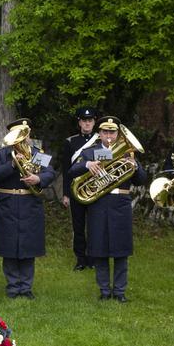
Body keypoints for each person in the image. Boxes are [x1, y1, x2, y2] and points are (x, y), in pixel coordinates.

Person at [67, 116, 147, 302]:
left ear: (118, 134)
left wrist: (135, 166)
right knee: (99, 249)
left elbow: (141, 180)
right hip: (98, 205)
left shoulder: (128, 154)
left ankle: (119, 292)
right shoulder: (89, 152)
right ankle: (104, 291)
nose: (109, 135)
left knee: (121, 250)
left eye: (112, 132)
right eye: (105, 132)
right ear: (99, 134)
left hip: (121, 205)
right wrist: (87, 165)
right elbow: (72, 171)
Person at [0, 118, 55, 299]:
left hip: (29, 204)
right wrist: (11, 164)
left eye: (26, 133)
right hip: (8, 203)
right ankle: (12, 287)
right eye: (19, 134)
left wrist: (38, 179)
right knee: (9, 246)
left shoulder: (37, 153)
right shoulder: (1, 154)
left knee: (28, 246)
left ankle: (26, 288)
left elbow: (50, 172)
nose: (23, 138)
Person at [61, 107, 97, 270]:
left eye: (90, 120)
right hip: (77, 190)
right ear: (79, 122)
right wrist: (66, 194)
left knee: (95, 225)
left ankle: (94, 258)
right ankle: (81, 259)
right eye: (84, 120)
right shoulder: (70, 142)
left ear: (94, 122)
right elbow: (66, 169)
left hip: (97, 188)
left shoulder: (100, 140)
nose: (87, 123)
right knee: (78, 226)